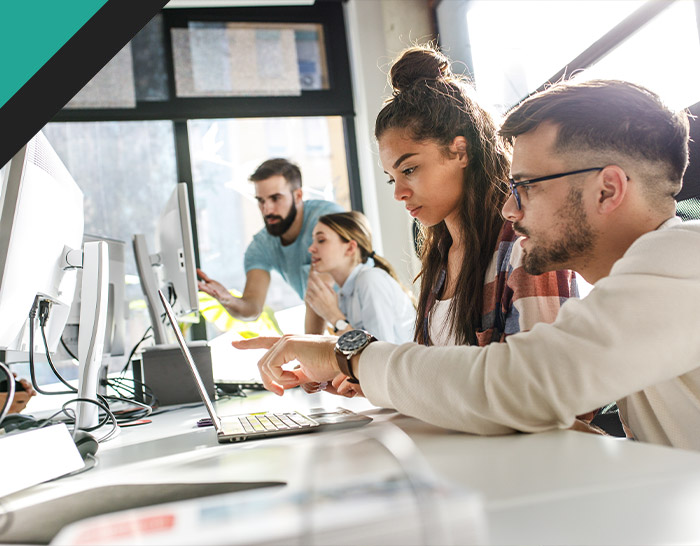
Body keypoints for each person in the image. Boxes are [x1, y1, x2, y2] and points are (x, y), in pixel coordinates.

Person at [236, 78, 700, 451]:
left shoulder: (682, 261)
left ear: (608, 189)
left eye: (527, 187)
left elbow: (520, 386)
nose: (510, 210)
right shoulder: (644, 281)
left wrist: (349, 354)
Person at [197, 158, 343, 334]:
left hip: (367, 314)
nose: (267, 209)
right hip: (341, 330)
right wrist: (227, 299)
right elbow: (252, 308)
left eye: (275, 198)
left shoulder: (327, 220)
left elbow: (318, 293)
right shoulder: (262, 245)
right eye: (261, 200)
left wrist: (310, 355)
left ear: (298, 196)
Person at [305, 211, 415, 344]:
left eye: (321, 240)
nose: (311, 248)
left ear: (350, 248)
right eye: (313, 241)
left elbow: (380, 355)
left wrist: (334, 317)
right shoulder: (343, 296)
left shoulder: (370, 280)